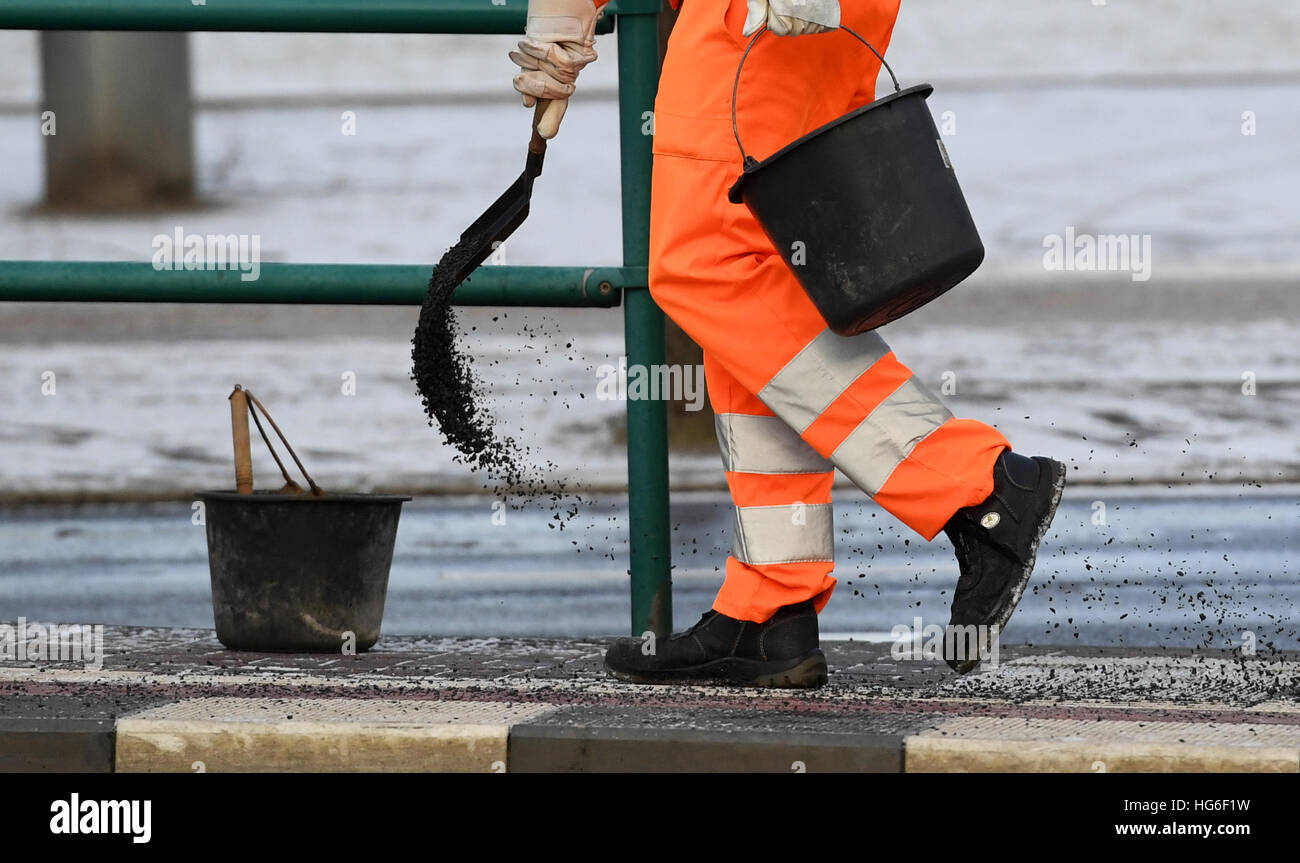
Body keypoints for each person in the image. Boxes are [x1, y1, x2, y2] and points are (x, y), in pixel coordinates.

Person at [510, 0, 1066, 686]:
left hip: (749, 19)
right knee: (755, 270)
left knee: (702, 265)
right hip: (784, 22)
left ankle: (978, 484)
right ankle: (772, 604)